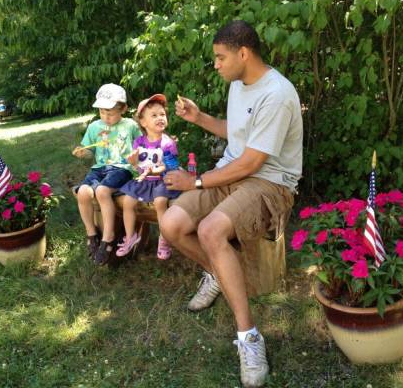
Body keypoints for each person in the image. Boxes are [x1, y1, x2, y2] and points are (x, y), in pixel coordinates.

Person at [160, 20, 302, 388]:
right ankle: (219, 273)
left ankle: (249, 337)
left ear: (243, 53)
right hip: (232, 172)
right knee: (171, 224)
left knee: (210, 230)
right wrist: (199, 118)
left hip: (270, 183)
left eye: (220, 57)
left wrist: (195, 181)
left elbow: (253, 162)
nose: (216, 64)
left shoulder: (277, 94)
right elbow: (237, 134)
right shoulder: (238, 85)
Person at [72, 83, 142, 265]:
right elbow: (90, 152)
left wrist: (138, 159)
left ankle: (108, 236)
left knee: (102, 191)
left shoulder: (130, 125)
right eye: (102, 112)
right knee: (83, 192)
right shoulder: (94, 127)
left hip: (122, 168)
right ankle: (91, 234)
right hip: (99, 168)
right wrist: (83, 153)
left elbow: (142, 146)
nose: (105, 117)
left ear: (123, 109)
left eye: (110, 113)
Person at [117, 94, 180, 260]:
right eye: (154, 115)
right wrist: (134, 163)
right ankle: (130, 236)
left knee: (160, 202)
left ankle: (164, 238)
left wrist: (154, 171)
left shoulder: (168, 143)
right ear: (143, 122)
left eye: (162, 114)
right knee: (128, 201)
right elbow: (139, 168)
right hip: (145, 180)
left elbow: (170, 167)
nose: (160, 118)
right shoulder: (139, 142)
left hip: (163, 180)